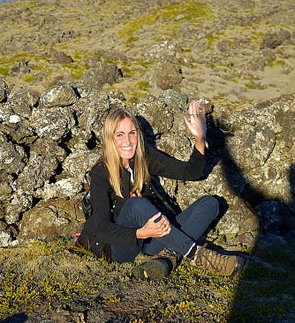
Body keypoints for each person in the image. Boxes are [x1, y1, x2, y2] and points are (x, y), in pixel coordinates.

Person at [78, 100, 247, 279]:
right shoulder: (100, 173)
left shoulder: (144, 157)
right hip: (120, 248)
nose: (127, 141)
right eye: (119, 135)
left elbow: (190, 172)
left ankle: (168, 258)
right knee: (136, 205)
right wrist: (141, 233)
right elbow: (103, 228)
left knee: (211, 204)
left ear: (138, 135)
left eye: (132, 133)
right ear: (110, 139)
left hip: (152, 240)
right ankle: (198, 256)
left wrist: (200, 138)